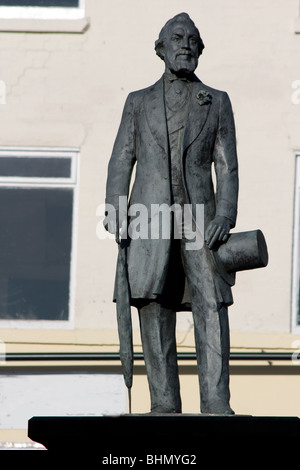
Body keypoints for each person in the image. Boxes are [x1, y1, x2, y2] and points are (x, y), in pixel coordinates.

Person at [104, 13, 238, 414]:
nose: (185, 44)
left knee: (210, 304)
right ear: (160, 49)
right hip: (149, 217)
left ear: (200, 50)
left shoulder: (217, 101)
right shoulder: (137, 102)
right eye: (176, 38)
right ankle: (163, 402)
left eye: (192, 40)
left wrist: (225, 216)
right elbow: (120, 160)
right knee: (154, 302)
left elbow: (226, 166)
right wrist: (115, 209)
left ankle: (216, 399)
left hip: (201, 217)